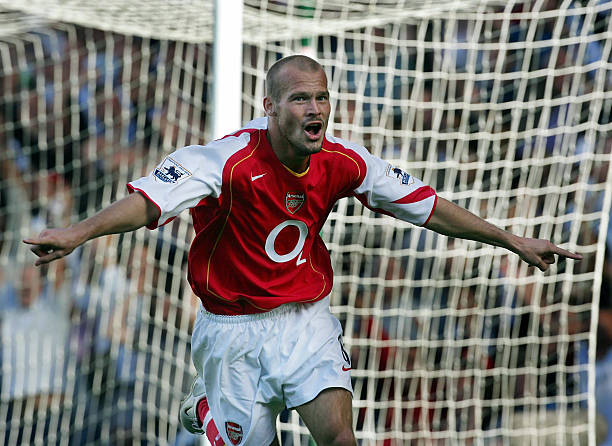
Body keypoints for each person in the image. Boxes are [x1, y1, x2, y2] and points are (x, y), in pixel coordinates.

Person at [24, 55, 582, 446]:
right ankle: (208, 405)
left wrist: (511, 240)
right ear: (269, 106)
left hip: (305, 321)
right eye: (300, 99)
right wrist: (76, 235)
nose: (315, 109)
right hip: (232, 331)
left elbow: (428, 206)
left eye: (322, 97)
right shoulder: (224, 161)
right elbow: (148, 204)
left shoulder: (343, 160)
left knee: (340, 436)